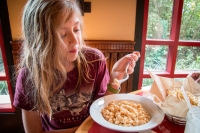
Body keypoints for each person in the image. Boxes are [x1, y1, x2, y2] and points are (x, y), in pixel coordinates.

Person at [13, 0, 140, 133]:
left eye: (76, 29)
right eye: (62, 35)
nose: (75, 41)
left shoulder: (95, 60)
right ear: (40, 41)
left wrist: (115, 79)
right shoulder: (29, 76)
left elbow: (102, 109)